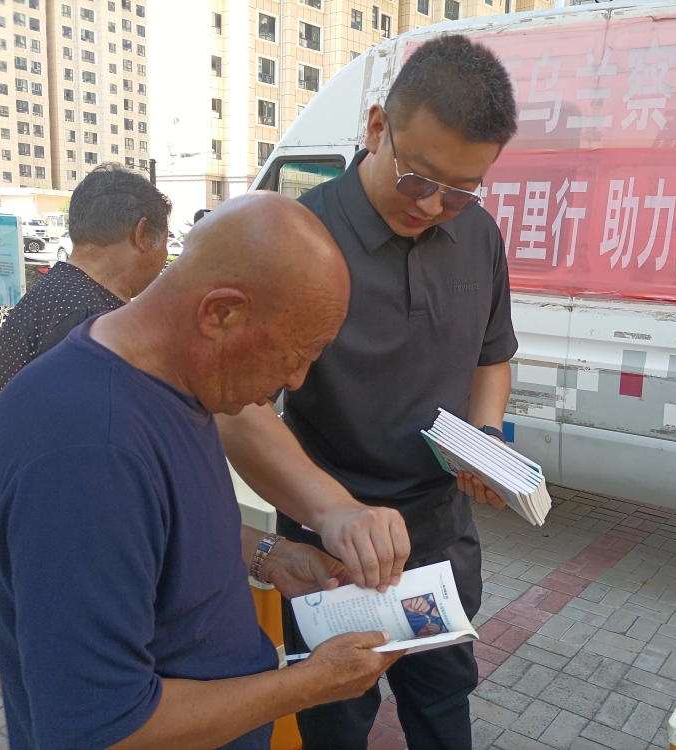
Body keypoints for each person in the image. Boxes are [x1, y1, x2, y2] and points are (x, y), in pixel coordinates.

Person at [0, 192, 403, 750]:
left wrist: (270, 555)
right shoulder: (88, 453)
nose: (296, 380)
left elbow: (152, 542)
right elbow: (104, 730)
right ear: (220, 313)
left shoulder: (171, 382)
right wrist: (313, 683)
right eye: (296, 354)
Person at [217, 35, 519, 749]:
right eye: (420, 179)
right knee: (334, 719)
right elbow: (237, 406)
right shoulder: (298, 237)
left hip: (438, 537)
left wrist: (484, 436)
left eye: (462, 189)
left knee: (443, 707)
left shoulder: (478, 236)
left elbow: (492, 355)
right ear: (378, 127)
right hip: (331, 545)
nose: (435, 205)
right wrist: (335, 512)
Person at [0, 164, 172, 399]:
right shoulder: (91, 319)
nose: (165, 253)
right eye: (165, 241)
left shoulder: (56, 293)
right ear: (142, 233)